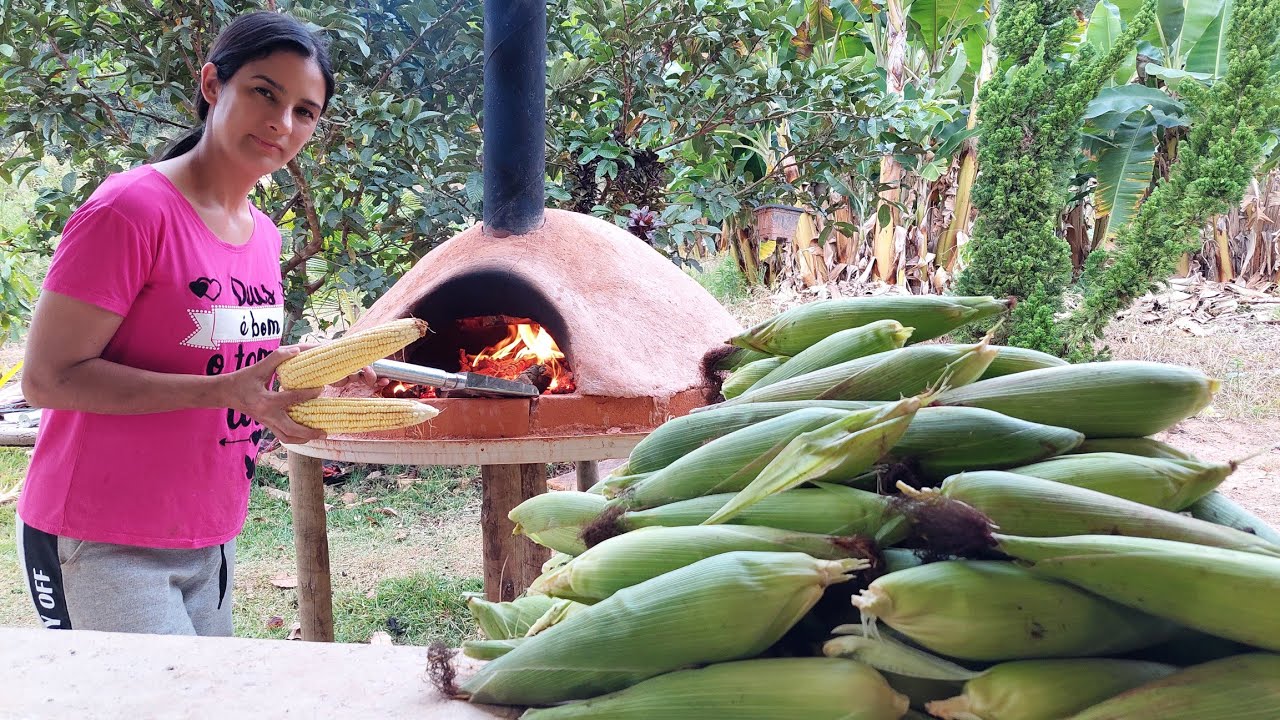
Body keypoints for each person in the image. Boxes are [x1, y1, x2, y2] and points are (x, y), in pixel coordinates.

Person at [16, 11, 346, 636]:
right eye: (264, 93)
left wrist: (283, 385)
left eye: (305, 111)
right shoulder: (131, 209)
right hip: (101, 537)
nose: (282, 122)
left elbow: (225, 371)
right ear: (213, 84)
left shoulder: (264, 236)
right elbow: (48, 380)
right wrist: (224, 391)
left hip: (209, 533)